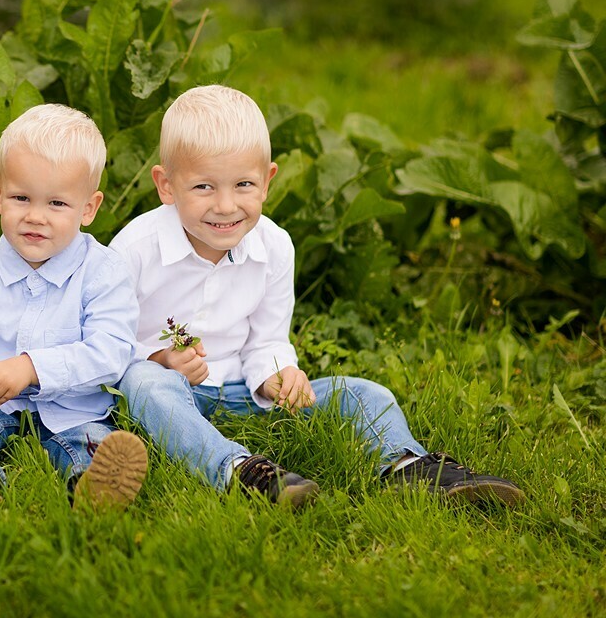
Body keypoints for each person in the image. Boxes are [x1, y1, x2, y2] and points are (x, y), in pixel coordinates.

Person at [110, 85, 524, 507]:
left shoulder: (274, 247)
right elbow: (106, 346)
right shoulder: (134, 251)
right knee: (144, 383)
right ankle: (239, 470)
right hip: (171, 394)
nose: (226, 205)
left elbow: (267, 339)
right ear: (166, 185)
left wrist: (277, 374)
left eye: (243, 184)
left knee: (365, 394)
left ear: (268, 180)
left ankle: (407, 467)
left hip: (241, 393)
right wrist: (159, 360)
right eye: (203, 187)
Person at [0, 104, 149, 515]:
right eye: (21, 198)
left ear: (88, 208)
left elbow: (111, 353)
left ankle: (95, 485)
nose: (36, 217)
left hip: (74, 407)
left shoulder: (104, 273)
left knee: (90, 437)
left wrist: (33, 368)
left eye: (57, 204)